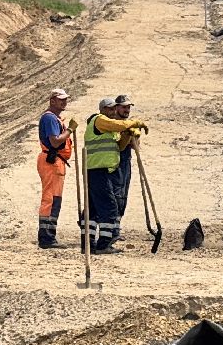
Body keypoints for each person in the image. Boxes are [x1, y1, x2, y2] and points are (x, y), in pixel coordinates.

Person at [83, 96, 149, 253]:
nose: (113, 111)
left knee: (93, 208)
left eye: (114, 108)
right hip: (99, 170)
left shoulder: (111, 129)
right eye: (111, 109)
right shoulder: (100, 120)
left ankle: (87, 243)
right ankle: (104, 244)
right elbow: (119, 125)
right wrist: (135, 123)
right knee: (110, 207)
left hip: (104, 169)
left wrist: (128, 135)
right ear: (103, 110)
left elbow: (120, 147)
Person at [36, 89, 76, 248]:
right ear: (52, 101)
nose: (64, 102)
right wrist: (70, 130)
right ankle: (46, 238)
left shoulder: (54, 118)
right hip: (51, 161)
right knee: (50, 199)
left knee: (55, 199)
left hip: (56, 162)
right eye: (61, 99)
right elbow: (55, 141)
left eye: (65, 99)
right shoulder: (50, 118)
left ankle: (49, 236)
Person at [111, 93, 139, 229]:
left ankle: (116, 226)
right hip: (112, 162)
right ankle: (109, 226)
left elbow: (136, 147)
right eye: (124, 107)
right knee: (114, 194)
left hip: (125, 162)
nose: (127, 110)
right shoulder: (112, 124)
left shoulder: (129, 124)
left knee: (123, 194)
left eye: (128, 107)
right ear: (116, 108)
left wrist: (134, 135)